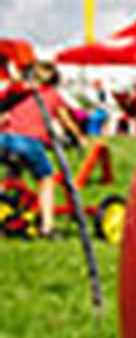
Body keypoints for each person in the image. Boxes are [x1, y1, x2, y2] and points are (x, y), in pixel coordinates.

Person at [0, 61, 83, 238]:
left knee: (11, 176)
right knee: (45, 180)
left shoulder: (19, 94)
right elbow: (65, 119)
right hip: (29, 142)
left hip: (4, 139)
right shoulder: (52, 95)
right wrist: (79, 136)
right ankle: (47, 227)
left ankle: (8, 212)